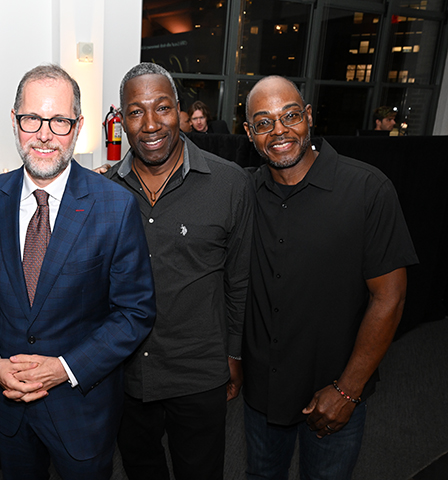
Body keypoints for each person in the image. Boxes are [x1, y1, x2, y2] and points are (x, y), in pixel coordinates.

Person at [0, 64, 155, 480]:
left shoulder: (115, 206)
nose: (44, 134)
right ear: (15, 121)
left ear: (78, 126)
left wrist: (63, 367)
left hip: (82, 408)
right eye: (32, 118)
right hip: (9, 402)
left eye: (59, 121)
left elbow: (135, 312)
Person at [241, 75, 418, 479]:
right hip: (262, 395)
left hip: (335, 394)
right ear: (250, 134)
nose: (279, 130)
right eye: (264, 122)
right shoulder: (244, 193)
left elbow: (390, 298)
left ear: (308, 117)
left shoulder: (367, 189)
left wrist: (347, 390)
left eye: (290, 116)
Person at [104, 63, 254, 479]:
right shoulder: (103, 192)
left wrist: (234, 354)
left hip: (199, 373)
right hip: (126, 373)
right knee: (141, 469)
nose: (151, 123)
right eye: (136, 111)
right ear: (121, 119)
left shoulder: (230, 184)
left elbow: (239, 281)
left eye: (162, 108)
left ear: (180, 112)